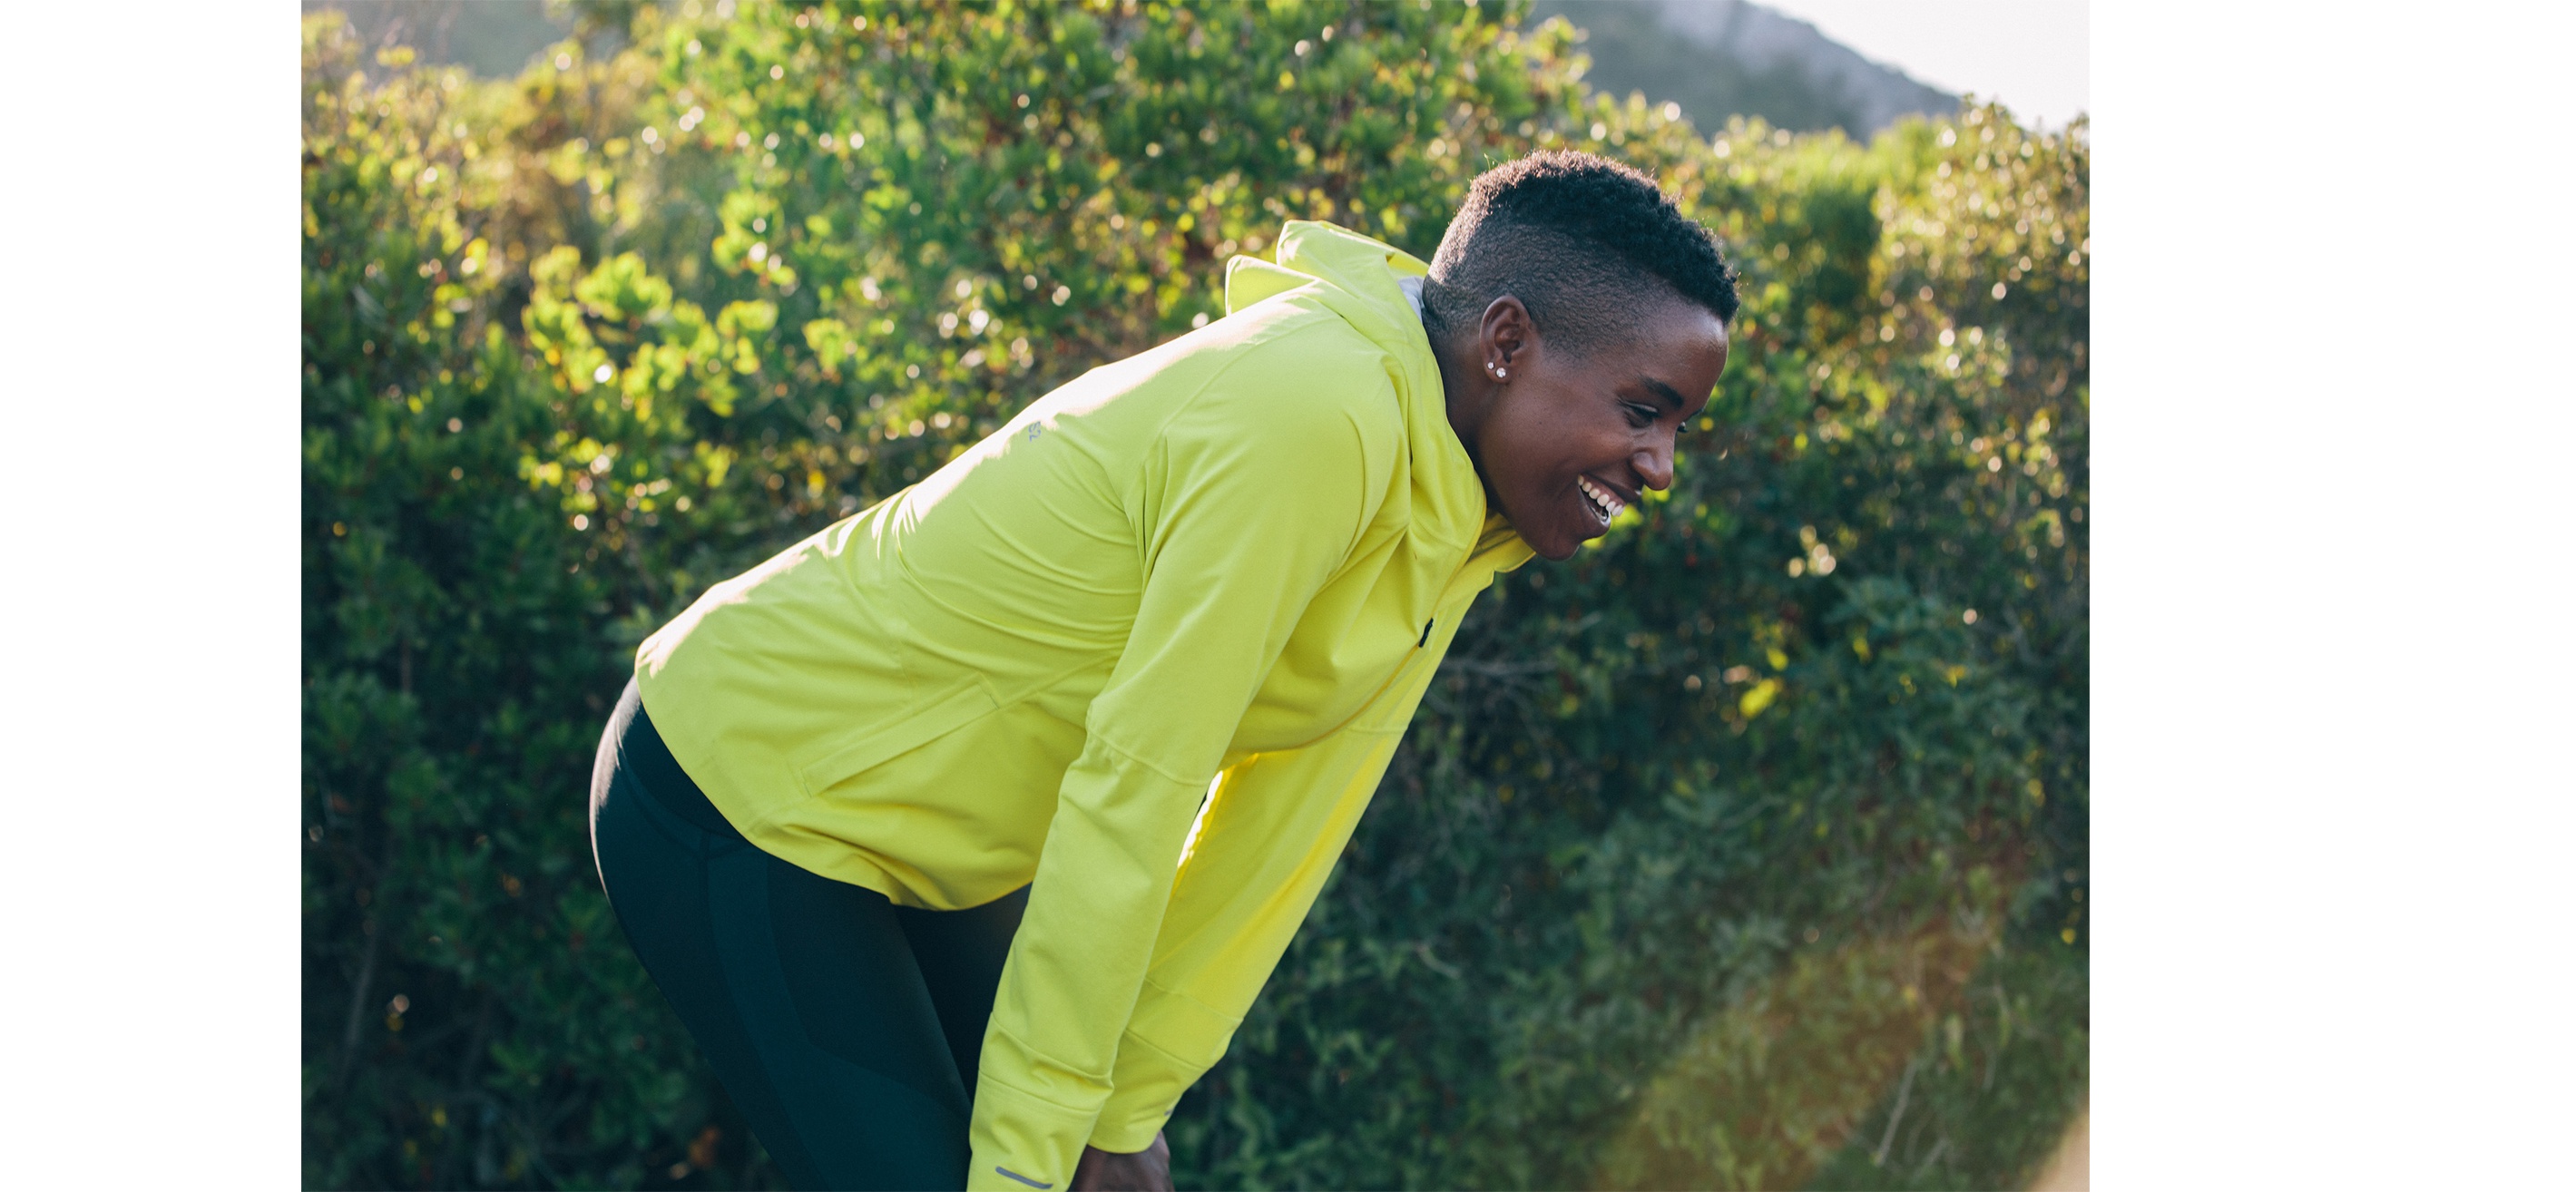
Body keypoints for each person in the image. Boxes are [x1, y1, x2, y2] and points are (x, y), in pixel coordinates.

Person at [586, 150, 1739, 1191]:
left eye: (1678, 427)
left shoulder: (1457, 509)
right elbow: (1137, 781)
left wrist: (1120, 1106)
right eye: (1646, 412)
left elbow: (1280, 831)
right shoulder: (1312, 413)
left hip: (940, 844)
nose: (1660, 466)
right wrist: (1037, 1160)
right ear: (1504, 342)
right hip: (751, 790)